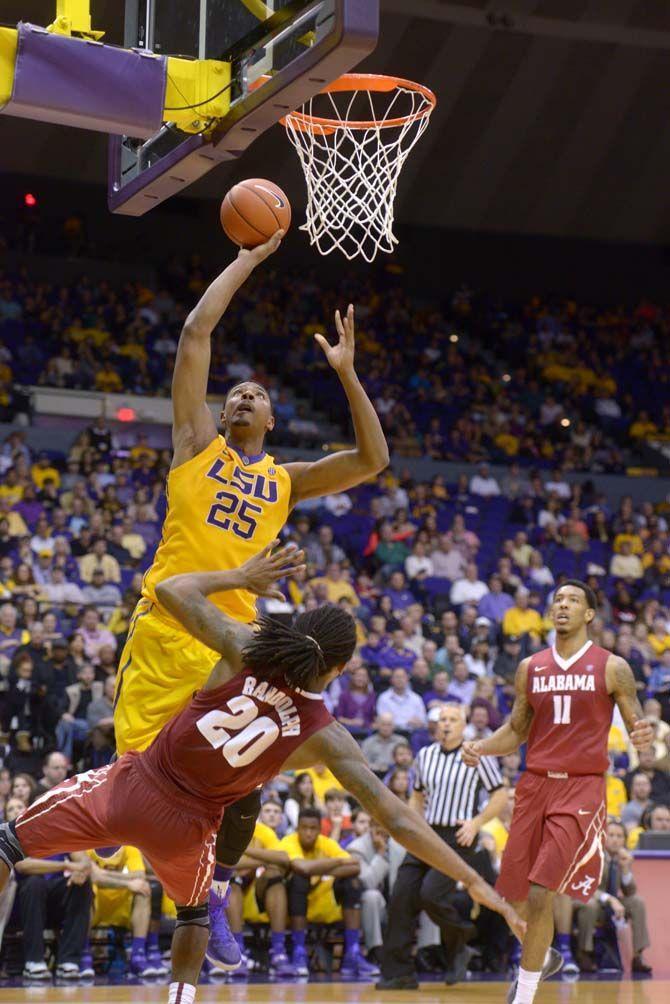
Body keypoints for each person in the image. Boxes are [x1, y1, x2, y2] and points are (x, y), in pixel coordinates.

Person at [0, 545, 523, 1004]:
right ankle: (183, 991)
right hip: (187, 829)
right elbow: (398, 820)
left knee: (8, 845)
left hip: (135, 785)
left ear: (297, 634)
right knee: (193, 917)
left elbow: (170, 587)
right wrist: (473, 878)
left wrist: (240, 580)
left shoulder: (245, 648)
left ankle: (120, 843)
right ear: (338, 671)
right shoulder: (328, 735)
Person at [112, 230, 390, 971]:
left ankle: (217, 893)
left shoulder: (286, 481)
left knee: (245, 777)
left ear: (269, 421)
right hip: (168, 625)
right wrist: (248, 258)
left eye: (257, 395)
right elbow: (197, 331)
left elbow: (372, 460)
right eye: (236, 390)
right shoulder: (193, 444)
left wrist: (348, 373)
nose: (242, 393)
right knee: (139, 785)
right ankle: (183, 898)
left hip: (235, 643)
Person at [463, 579, 653, 1004]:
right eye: (558, 600)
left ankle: (524, 995)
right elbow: (516, 731)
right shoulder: (530, 667)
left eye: (573, 601)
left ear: (589, 615)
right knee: (517, 895)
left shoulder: (612, 666)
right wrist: (481, 746)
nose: (562, 606)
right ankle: (541, 955)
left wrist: (644, 736)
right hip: (533, 785)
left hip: (581, 789)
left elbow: (638, 723)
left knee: (540, 888)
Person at [377, 704, 508, 989]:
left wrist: (477, 822)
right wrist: (413, 825)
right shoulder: (425, 756)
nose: (446, 724)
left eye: (452, 720)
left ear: (464, 726)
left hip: (459, 835)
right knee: (401, 894)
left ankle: (461, 938)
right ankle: (399, 973)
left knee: (431, 894)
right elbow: (417, 795)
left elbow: (500, 795)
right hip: (427, 833)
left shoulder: (476, 754)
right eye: (442, 720)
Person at [279, 806, 377, 978]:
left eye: (313, 828)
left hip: (326, 903)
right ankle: (299, 951)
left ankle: (352, 953)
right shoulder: (288, 842)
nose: (309, 833)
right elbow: (302, 867)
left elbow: (355, 867)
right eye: (304, 828)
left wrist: (318, 869)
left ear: (320, 829)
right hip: (293, 906)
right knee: (299, 880)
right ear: (297, 828)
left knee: (353, 883)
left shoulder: (327, 843)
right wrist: (338, 861)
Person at [573, 819, 651, 974]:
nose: (615, 840)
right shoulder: (592, 855)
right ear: (603, 837)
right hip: (585, 900)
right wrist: (610, 899)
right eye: (611, 835)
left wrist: (626, 869)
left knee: (637, 902)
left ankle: (637, 956)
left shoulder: (620, 859)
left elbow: (629, 892)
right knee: (591, 904)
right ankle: (585, 954)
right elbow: (585, 888)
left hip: (607, 904)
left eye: (620, 836)